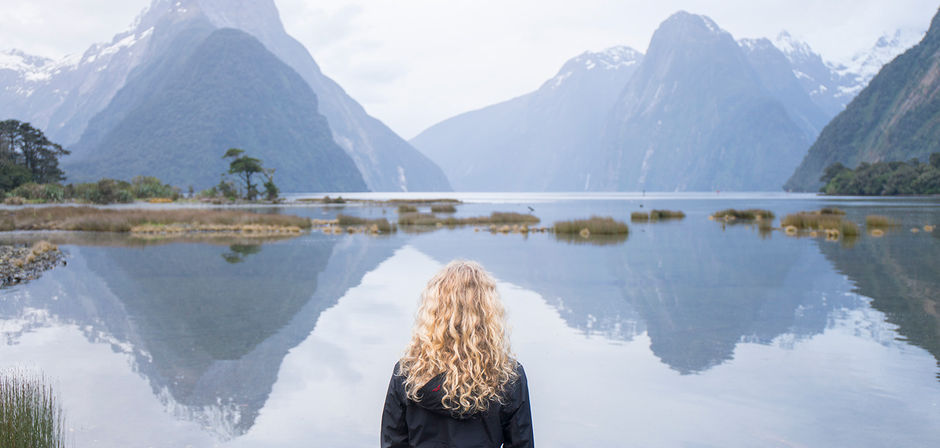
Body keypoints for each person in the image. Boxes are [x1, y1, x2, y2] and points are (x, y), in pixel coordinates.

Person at [381, 260, 534, 447]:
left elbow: (392, 443)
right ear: (488, 312)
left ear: (434, 311)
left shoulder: (408, 373)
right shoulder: (508, 376)